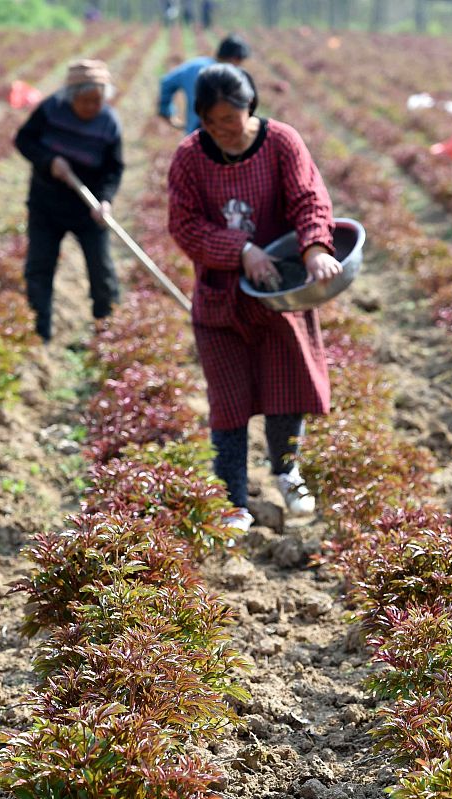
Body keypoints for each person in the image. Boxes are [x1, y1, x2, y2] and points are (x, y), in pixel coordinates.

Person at [167, 64, 342, 532]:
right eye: (212, 122)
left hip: (280, 295)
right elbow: (184, 225)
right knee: (229, 403)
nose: (223, 130)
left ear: (251, 107)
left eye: (231, 119)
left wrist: (315, 248)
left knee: (287, 390)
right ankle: (233, 500)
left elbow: (309, 199)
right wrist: (242, 251)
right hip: (221, 301)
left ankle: (286, 473)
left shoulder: (281, 142)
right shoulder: (189, 157)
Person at [14, 59, 124, 343]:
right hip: (46, 203)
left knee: (101, 271)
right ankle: (39, 334)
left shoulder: (109, 123)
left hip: (88, 208)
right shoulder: (51, 110)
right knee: (40, 267)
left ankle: (106, 333)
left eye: (97, 100)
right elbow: (24, 140)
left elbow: (113, 169)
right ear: (70, 96)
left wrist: (105, 200)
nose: (92, 106)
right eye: (85, 101)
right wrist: (49, 161)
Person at [158, 34, 250, 134]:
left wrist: (166, 111)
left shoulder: (194, 66)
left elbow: (167, 82)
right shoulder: (234, 76)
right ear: (235, 59)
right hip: (226, 135)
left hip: (193, 133)